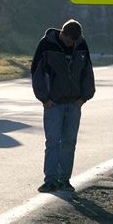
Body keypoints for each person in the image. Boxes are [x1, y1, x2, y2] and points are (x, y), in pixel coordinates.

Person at [30, 19, 96, 193]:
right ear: (62, 34)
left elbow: (88, 71)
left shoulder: (81, 45)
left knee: (69, 142)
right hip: (53, 103)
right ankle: (50, 180)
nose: (71, 44)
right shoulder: (46, 45)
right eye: (68, 41)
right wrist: (44, 99)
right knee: (53, 142)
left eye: (74, 41)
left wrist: (84, 98)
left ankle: (64, 180)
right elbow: (36, 72)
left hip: (75, 103)